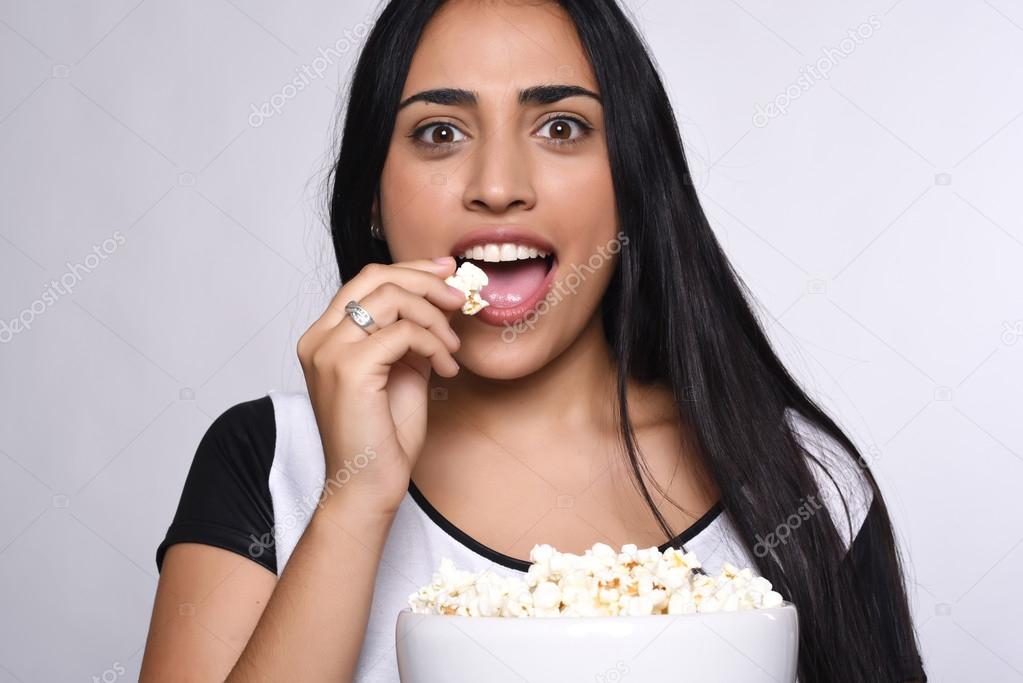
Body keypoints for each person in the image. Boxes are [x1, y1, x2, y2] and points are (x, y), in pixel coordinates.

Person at [140, 1, 927, 681]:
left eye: (560, 126)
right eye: (440, 131)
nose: (497, 182)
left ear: (634, 183)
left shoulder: (806, 483)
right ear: (373, 198)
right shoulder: (269, 461)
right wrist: (354, 500)